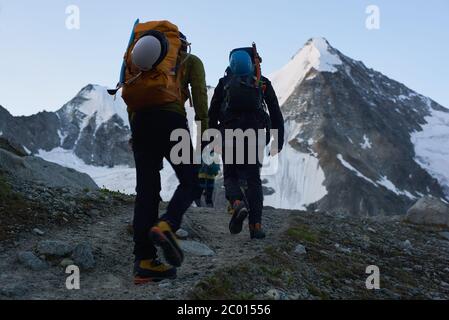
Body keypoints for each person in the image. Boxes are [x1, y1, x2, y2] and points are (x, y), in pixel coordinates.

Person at [122, 22, 209, 284]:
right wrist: (204, 135)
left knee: (146, 192)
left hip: (141, 124)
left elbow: (131, 101)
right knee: (192, 181)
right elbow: (201, 97)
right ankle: (167, 223)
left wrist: (135, 133)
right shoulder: (191, 60)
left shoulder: (136, 66)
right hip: (172, 121)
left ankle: (144, 263)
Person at [209, 45, 284, 239]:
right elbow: (275, 113)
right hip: (256, 134)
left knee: (231, 176)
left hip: (229, 133)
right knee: (253, 180)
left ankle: (236, 203)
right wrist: (278, 140)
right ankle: (256, 226)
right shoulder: (262, 83)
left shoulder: (224, 83)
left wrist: (211, 137)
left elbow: (213, 113)